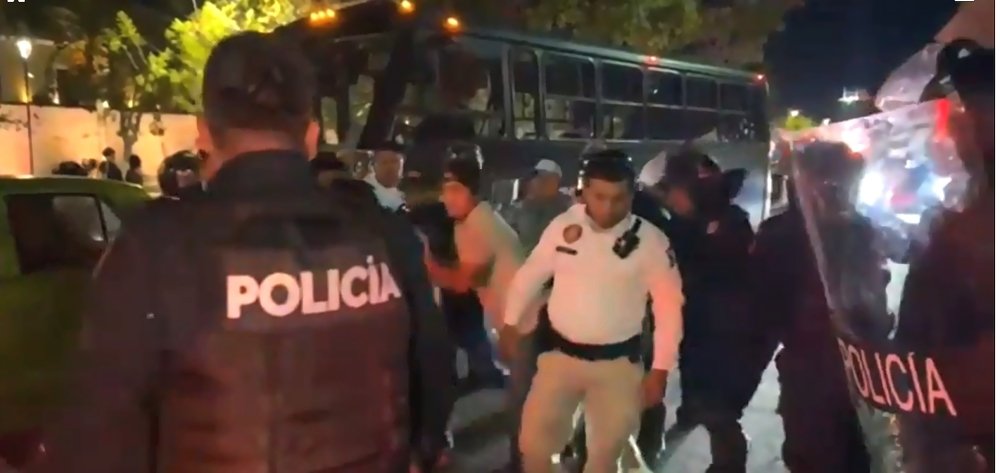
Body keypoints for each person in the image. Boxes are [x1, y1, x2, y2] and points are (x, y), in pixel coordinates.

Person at [29, 31, 452, 473]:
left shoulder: (157, 246)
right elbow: (433, 379)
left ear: (203, 134)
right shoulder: (384, 233)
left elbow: (96, 436)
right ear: (311, 137)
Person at [502, 150, 685, 473]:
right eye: (600, 197)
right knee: (534, 447)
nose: (608, 208)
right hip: (560, 359)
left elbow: (669, 308)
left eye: (619, 198)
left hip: (617, 366)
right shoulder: (563, 227)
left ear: (631, 195)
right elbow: (532, 273)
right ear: (584, 190)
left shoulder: (651, 242)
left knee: (604, 458)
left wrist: (660, 369)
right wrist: (510, 322)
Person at [423, 145, 534, 472]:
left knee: (524, 401)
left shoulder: (477, 224)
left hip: (526, 323)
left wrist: (424, 262)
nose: (446, 198)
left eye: (454, 189)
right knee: (523, 397)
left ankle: (524, 463)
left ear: (472, 192)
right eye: (444, 190)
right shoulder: (473, 220)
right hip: (519, 320)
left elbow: (461, 283)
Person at [751, 168, 870, 473]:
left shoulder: (856, 229)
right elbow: (763, 304)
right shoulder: (784, 233)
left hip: (842, 364)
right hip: (820, 363)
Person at [655, 149, 758, 472]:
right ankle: (692, 411)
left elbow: (730, 276)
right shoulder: (684, 224)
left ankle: (729, 464)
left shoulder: (731, 223)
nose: (670, 200)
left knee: (720, 412)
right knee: (702, 393)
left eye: (674, 191)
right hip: (697, 329)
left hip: (725, 335)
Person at [509, 159, 573, 251]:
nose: (536, 181)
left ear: (555, 182)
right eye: (537, 177)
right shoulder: (520, 208)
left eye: (544, 179)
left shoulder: (566, 209)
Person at [365, 141, 406, 211]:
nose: (390, 167)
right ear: (373, 166)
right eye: (384, 163)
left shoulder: (412, 187)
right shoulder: (366, 192)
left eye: (394, 161)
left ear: (403, 162)